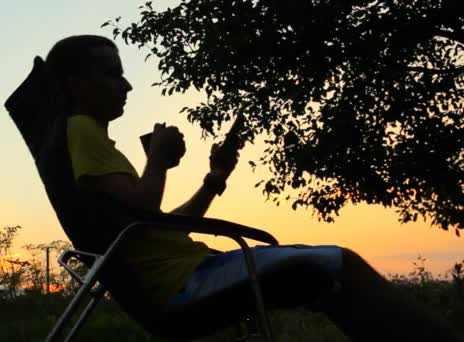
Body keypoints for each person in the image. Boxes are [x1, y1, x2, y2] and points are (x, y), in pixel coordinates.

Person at [43, 34, 463, 341]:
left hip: (188, 270)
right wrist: (160, 159)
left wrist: (215, 179)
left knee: (324, 279)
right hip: (182, 285)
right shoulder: (81, 130)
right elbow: (145, 205)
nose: (126, 85)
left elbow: (156, 224)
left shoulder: (90, 142)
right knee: (340, 265)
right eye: (112, 74)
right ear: (76, 85)